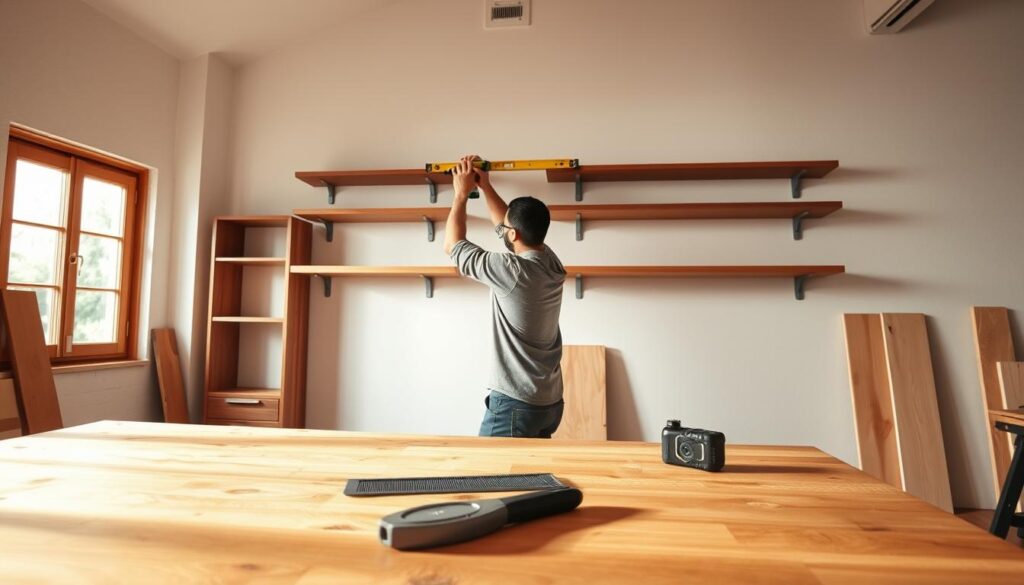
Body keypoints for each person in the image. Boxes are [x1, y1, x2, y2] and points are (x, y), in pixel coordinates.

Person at [443, 154, 567, 438]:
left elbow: (452, 245)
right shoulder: (551, 263)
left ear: (514, 235)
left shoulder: (512, 271)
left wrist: (461, 195)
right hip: (548, 404)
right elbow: (508, 229)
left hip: (516, 404)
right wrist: (485, 186)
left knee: (489, 477)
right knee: (527, 476)